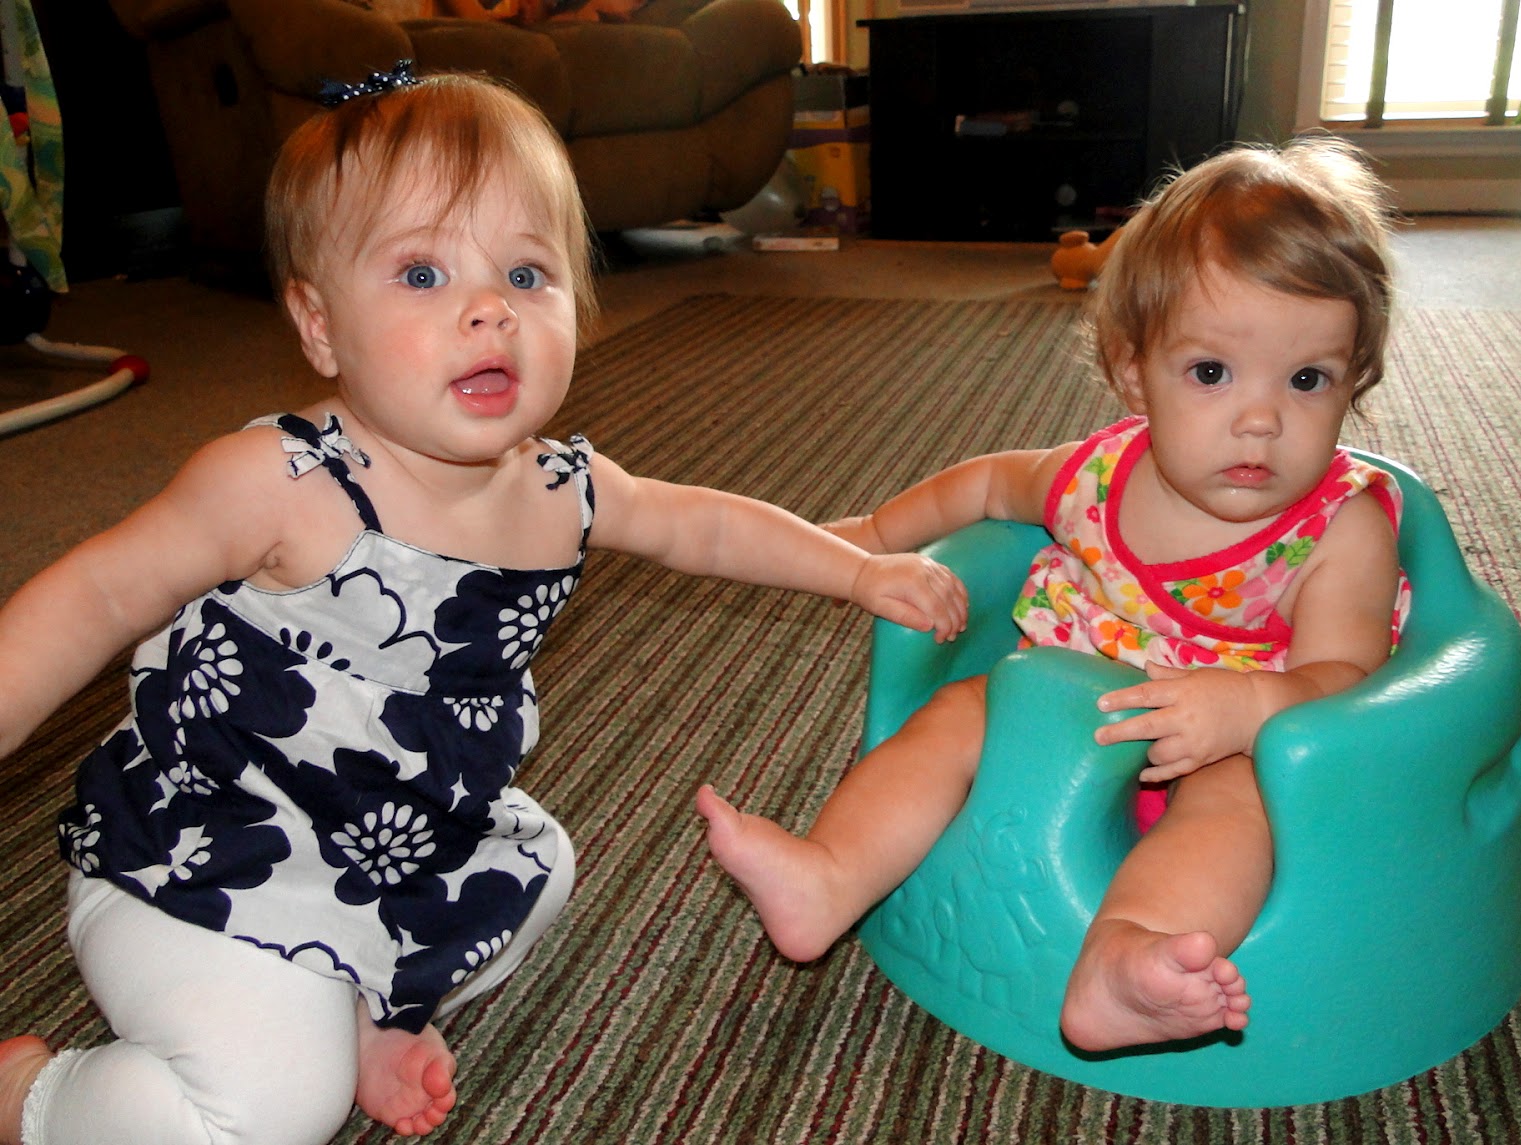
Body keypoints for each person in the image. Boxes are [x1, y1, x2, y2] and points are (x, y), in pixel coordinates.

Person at [0, 66, 968, 1145]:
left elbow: (703, 525)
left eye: (526, 272)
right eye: (422, 272)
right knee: (275, 1107)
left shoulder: (557, 488)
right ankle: (34, 1095)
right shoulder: (280, 480)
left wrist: (856, 569)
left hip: (394, 838)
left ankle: (367, 1006)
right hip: (207, 844)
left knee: (538, 866)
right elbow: (96, 593)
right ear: (319, 327)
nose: (488, 307)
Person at [698, 136, 1410, 1054]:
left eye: (1308, 379)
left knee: (1238, 805)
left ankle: (1128, 956)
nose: (1261, 419)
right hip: (1063, 711)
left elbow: (1349, 677)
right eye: (1211, 373)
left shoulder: (1341, 529)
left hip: (1223, 748)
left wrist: (1251, 706)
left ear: (1355, 380)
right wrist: (872, 537)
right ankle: (829, 875)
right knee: (957, 714)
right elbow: (984, 485)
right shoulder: (1097, 475)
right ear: (1134, 371)